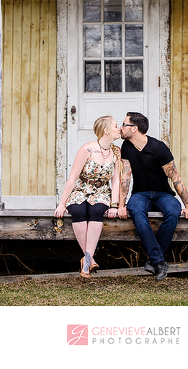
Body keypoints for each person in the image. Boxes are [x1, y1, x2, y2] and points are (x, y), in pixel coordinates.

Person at [117, 112, 188, 281]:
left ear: (134, 129)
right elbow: (125, 177)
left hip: (162, 194)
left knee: (174, 210)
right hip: (140, 194)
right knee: (136, 211)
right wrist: (121, 205)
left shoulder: (159, 148)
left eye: (124, 125)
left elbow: (175, 178)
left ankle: (154, 260)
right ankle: (159, 262)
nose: (120, 128)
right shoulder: (127, 147)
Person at [55, 115, 121, 278]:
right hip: (81, 189)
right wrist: (62, 204)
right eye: (115, 126)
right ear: (106, 130)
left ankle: (86, 260)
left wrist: (114, 204)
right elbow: (73, 178)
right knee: (78, 211)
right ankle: (89, 259)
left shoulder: (116, 152)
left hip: (101, 192)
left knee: (96, 211)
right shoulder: (87, 149)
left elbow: (116, 179)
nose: (119, 128)